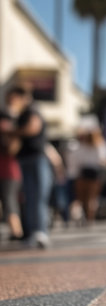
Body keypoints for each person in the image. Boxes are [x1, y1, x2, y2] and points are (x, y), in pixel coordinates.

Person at [6, 86, 52, 248]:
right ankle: (33, 232)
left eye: (12, 98)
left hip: (36, 159)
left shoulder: (32, 109)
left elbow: (33, 128)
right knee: (29, 197)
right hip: (25, 160)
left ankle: (40, 232)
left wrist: (12, 131)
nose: (10, 102)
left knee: (38, 196)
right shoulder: (20, 115)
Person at [71, 120, 106, 224]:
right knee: (92, 198)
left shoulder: (82, 146)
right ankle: (90, 217)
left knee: (83, 198)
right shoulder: (101, 145)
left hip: (84, 172)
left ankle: (87, 217)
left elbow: (76, 161)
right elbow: (105, 160)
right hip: (95, 173)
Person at [0, 110, 23, 241]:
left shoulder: (12, 134)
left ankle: (16, 231)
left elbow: (12, 150)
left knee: (9, 201)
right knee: (9, 201)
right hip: (7, 172)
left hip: (9, 173)